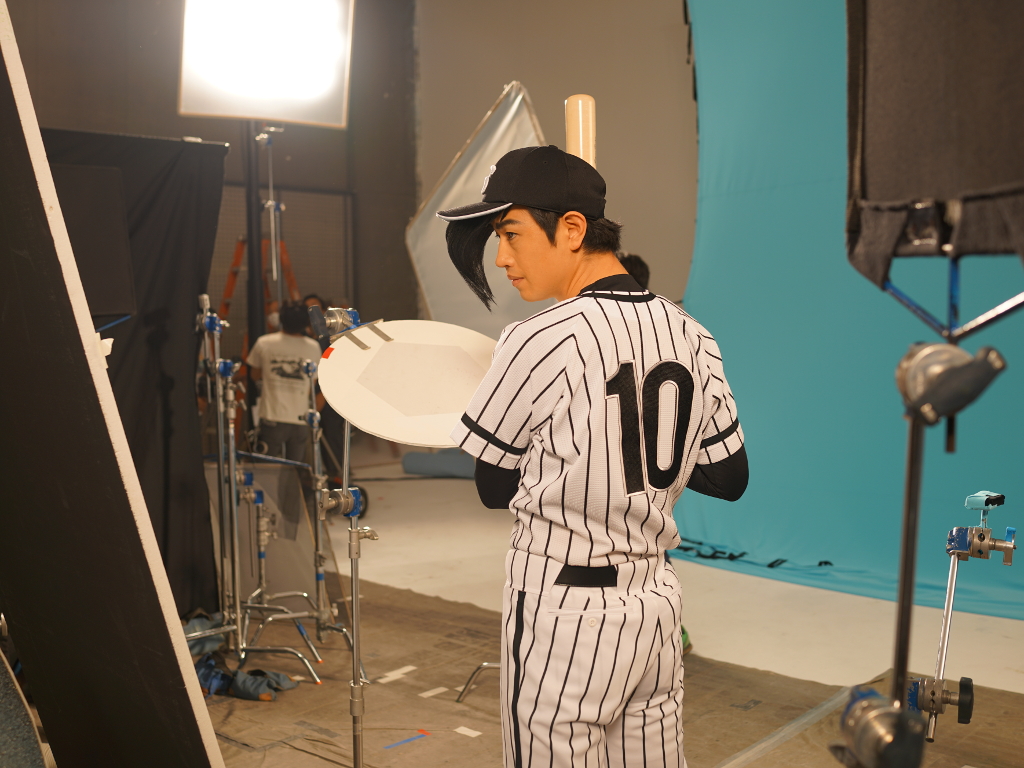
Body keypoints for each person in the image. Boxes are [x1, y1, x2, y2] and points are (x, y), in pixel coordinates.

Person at [438, 145, 747, 768]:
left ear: (573, 229)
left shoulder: (539, 336)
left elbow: (492, 487)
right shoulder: (692, 332)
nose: (501, 258)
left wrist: (582, 453)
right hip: (655, 603)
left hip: (564, 609)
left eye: (511, 234)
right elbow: (728, 476)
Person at [246, 302, 324, 462]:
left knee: (266, 467)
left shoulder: (265, 342)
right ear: (306, 322)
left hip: (272, 416)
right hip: (300, 417)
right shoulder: (313, 347)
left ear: (281, 318)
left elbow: (254, 375)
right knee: (295, 468)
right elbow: (312, 385)